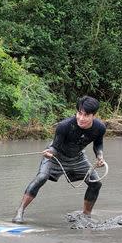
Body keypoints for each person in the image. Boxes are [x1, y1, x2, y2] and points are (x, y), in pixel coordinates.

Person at [12, 96, 106, 224]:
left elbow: (98, 144)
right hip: (55, 156)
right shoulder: (65, 126)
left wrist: (100, 156)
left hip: (77, 157)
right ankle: (20, 212)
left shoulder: (100, 128)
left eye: (86, 115)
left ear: (93, 115)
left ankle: (86, 215)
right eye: (79, 113)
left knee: (96, 183)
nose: (81, 118)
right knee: (41, 178)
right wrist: (50, 152)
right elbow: (56, 146)